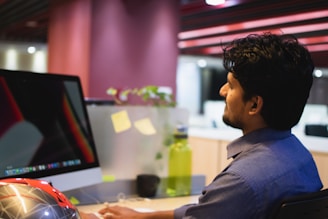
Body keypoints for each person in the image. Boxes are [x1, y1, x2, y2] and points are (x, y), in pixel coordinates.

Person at [81, 32, 323, 219]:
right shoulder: (300, 156)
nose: (222, 91)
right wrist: (145, 215)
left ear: (254, 105)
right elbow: (209, 211)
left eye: (231, 85)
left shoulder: (241, 180)